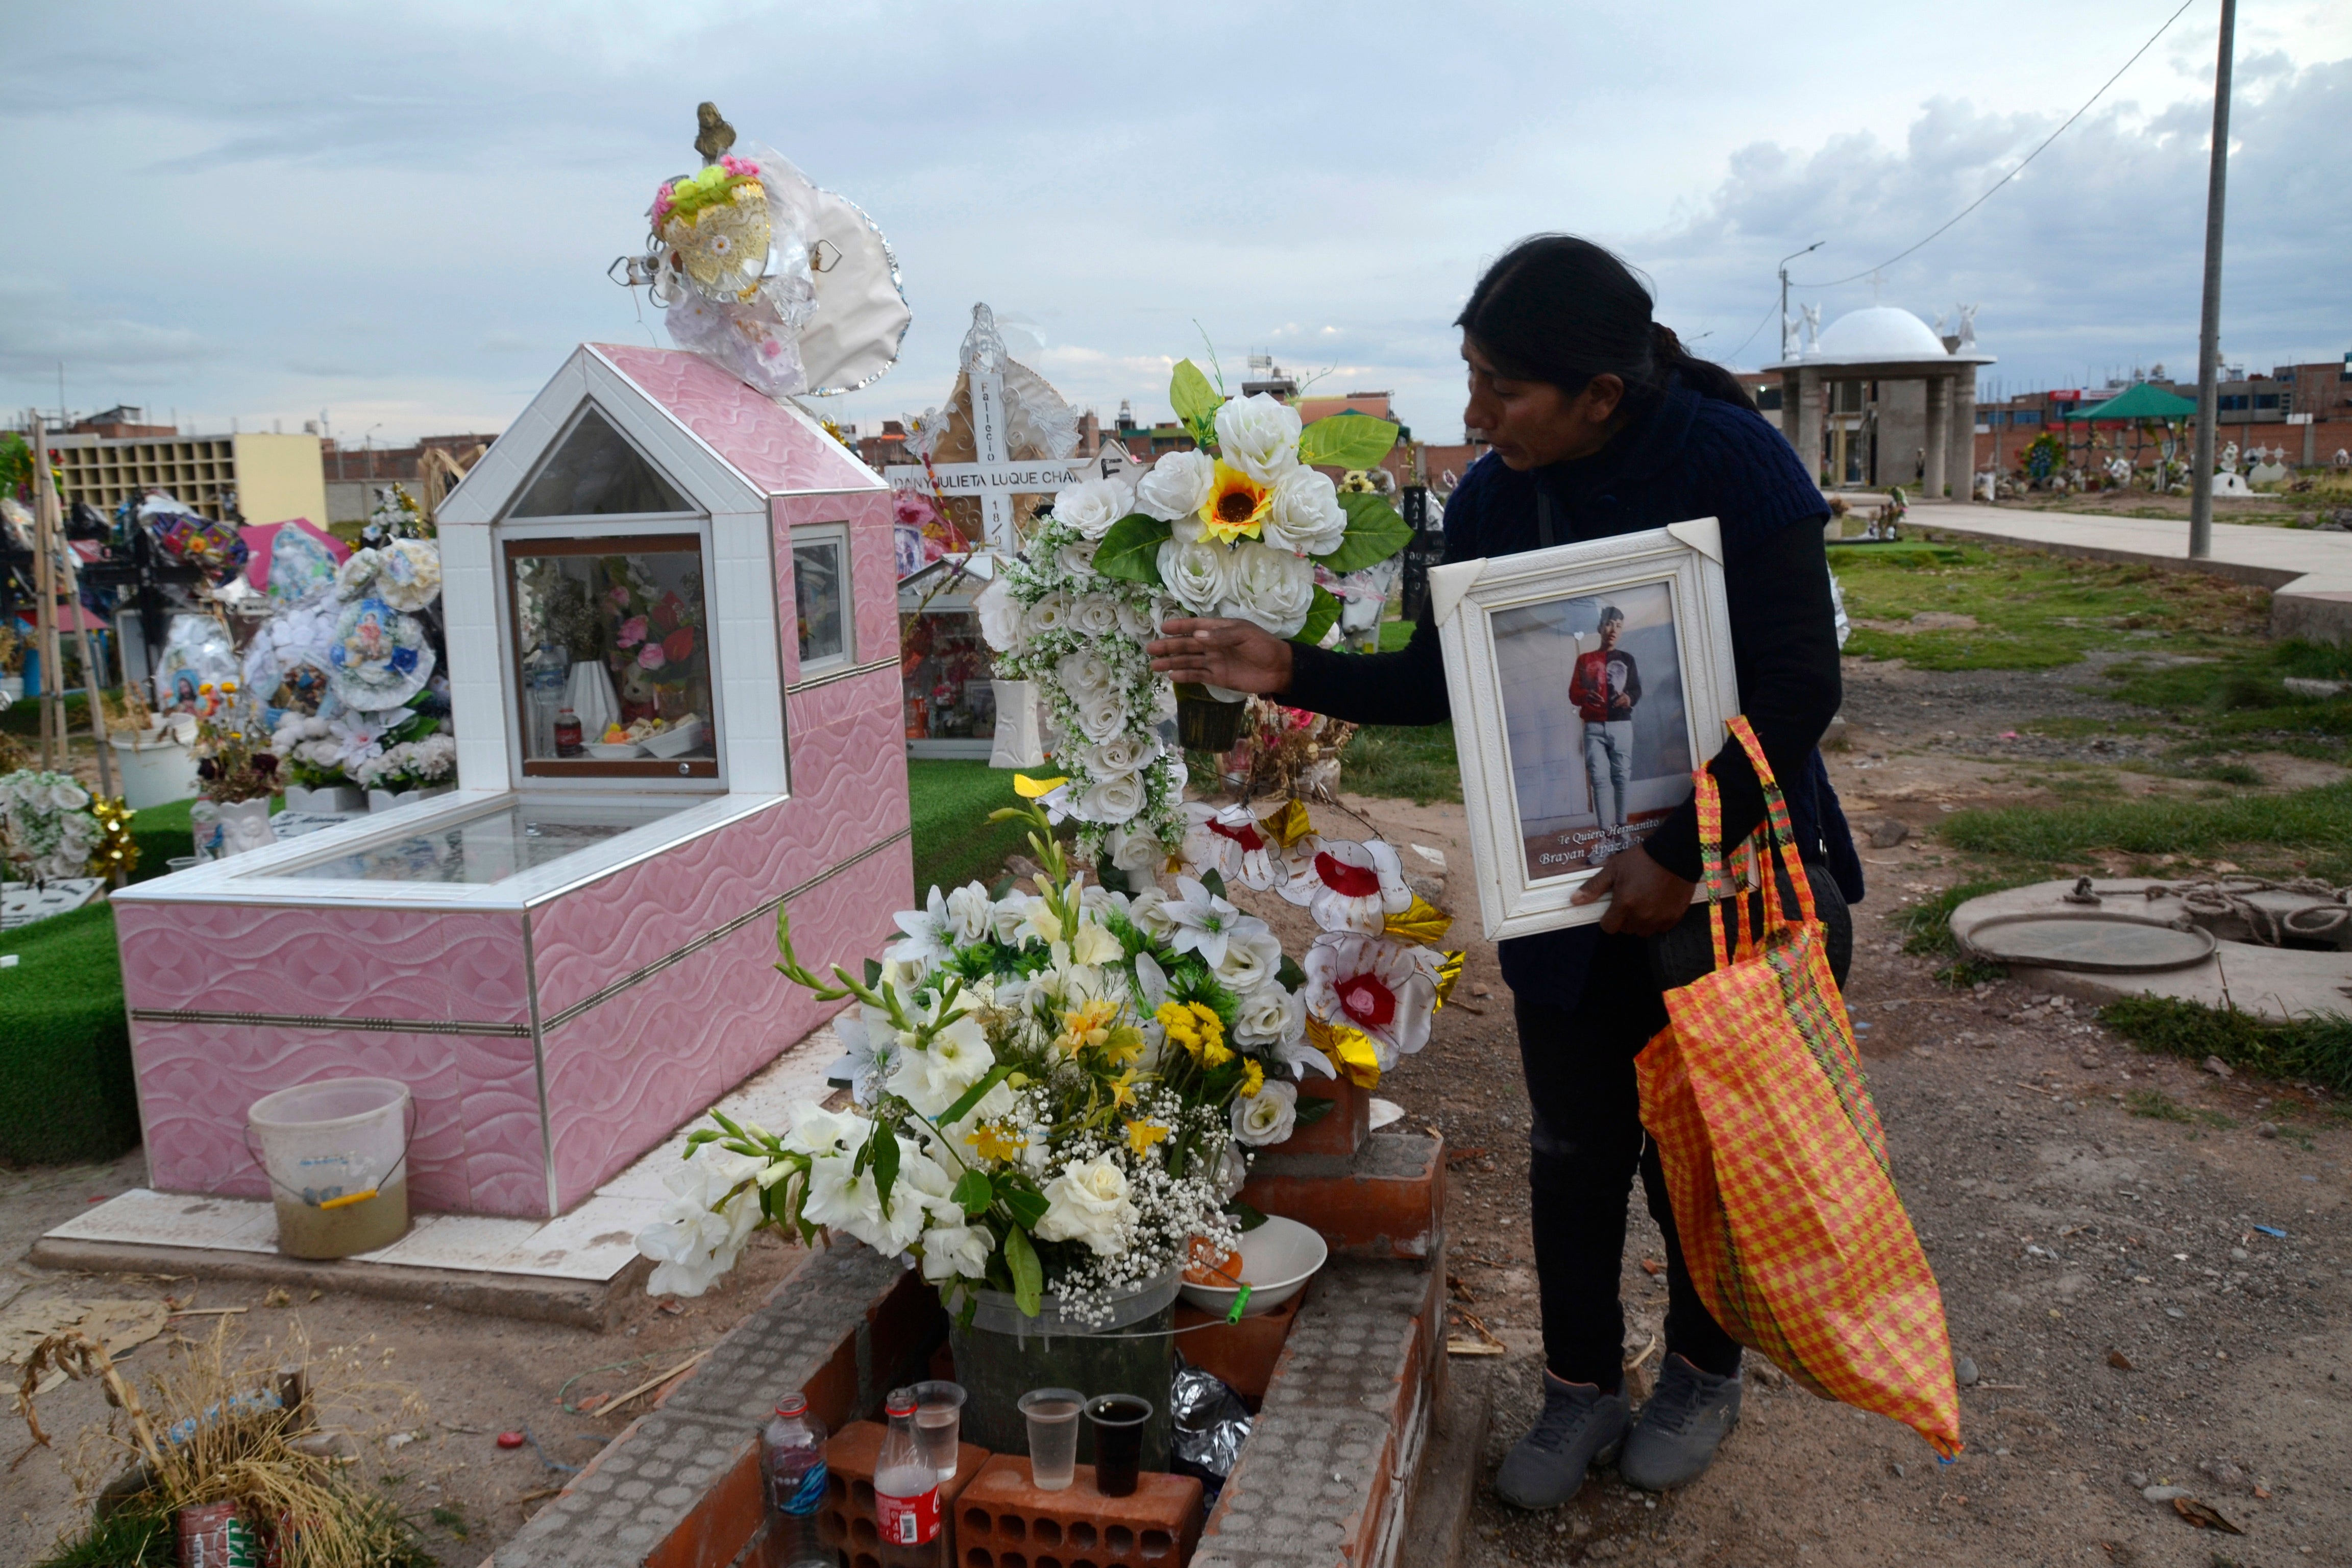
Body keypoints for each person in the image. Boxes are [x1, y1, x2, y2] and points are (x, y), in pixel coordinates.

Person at [1149, 234, 1859, 1507]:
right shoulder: (1491, 495)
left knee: (1708, 1143)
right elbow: (1446, 673)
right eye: (1467, 377)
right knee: (1576, 1144)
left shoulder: (1730, 463)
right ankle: (1578, 1384)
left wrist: (1682, 854)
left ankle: (1702, 1365)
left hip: (1729, 878)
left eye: (1502, 389)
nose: (1474, 416)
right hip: (1569, 885)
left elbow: (1802, 683)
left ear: (1601, 392)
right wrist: (1288, 667)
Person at [1568, 605, 1639, 844]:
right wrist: (1585, 696)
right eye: (1609, 624)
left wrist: (1629, 697)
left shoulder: (1628, 659)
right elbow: (1573, 693)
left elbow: (1636, 690)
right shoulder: (1585, 660)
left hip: (1621, 726)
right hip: (1594, 728)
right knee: (1599, 780)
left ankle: (1623, 831)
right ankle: (1605, 837)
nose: (1613, 630)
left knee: (1621, 778)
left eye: (1619, 625)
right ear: (1600, 627)